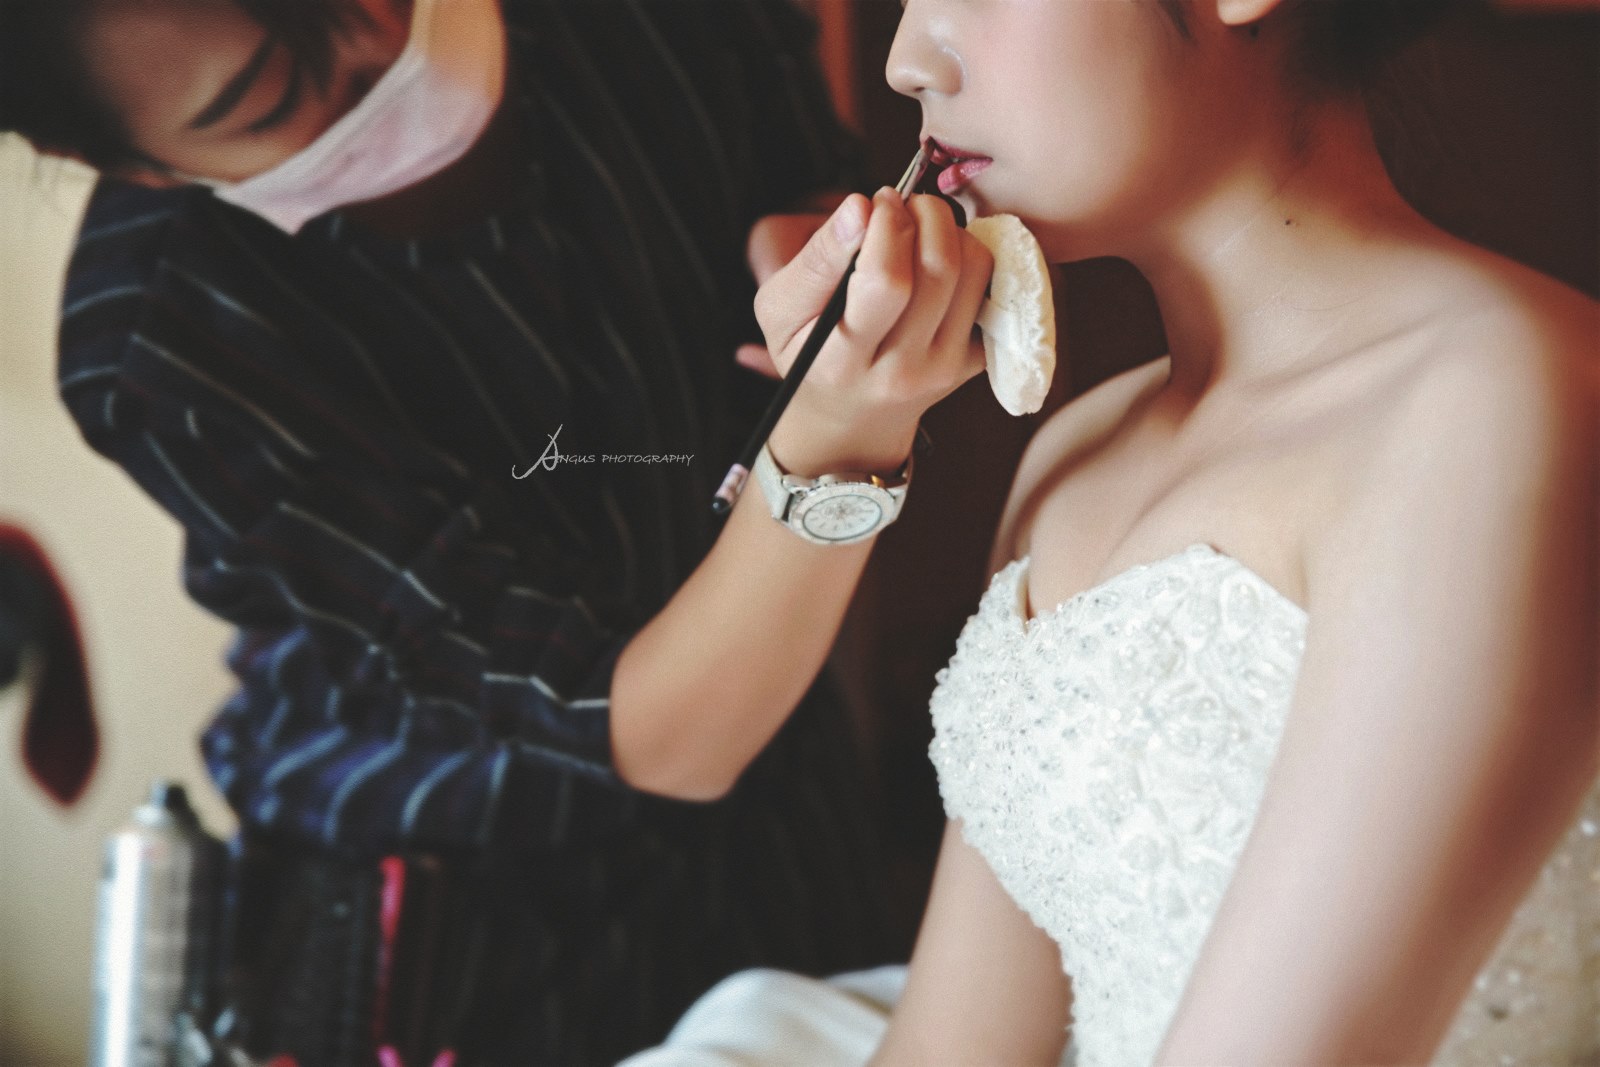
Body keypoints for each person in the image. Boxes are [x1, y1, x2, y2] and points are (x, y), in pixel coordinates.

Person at [0, 0, 995, 1062]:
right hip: (467, 919)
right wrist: (838, 436)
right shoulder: (169, 347)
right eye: (278, 98)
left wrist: (798, 240)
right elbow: (663, 733)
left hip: (782, 820)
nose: (389, 61)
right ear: (137, 164)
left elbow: (806, 171)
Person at [622, 0, 1600, 1063]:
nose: (907, 61)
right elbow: (953, 1049)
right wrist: (828, 433)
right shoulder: (1074, 459)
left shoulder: (1492, 405)